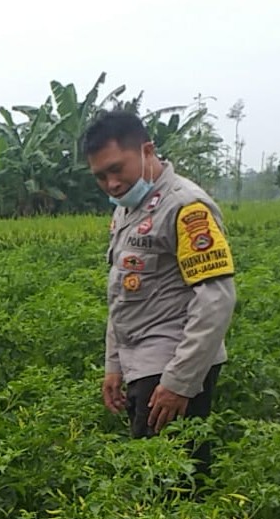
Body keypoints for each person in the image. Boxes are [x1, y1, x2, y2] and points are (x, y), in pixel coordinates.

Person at [83, 111, 236, 477]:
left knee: (170, 483)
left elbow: (215, 300)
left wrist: (179, 383)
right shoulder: (127, 209)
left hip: (171, 365)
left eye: (117, 169)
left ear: (147, 151)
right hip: (141, 363)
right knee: (156, 476)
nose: (111, 184)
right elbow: (122, 294)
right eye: (101, 176)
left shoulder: (186, 207)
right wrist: (114, 364)